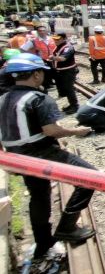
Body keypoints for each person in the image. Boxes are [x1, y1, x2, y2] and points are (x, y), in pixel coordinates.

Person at [0, 53, 95, 263]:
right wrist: (76, 132)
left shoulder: (4, 98)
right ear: (35, 74)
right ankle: (67, 227)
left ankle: (43, 244)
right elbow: (51, 130)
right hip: (41, 151)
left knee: (39, 196)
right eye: (41, 72)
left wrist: (6, 158)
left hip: (17, 156)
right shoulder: (38, 99)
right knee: (90, 177)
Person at [22, 24, 56, 91]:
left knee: (53, 72)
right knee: (44, 73)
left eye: (43, 30)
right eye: (40, 31)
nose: (42, 32)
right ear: (37, 32)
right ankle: (46, 86)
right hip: (42, 59)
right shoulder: (34, 41)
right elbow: (23, 49)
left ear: (46, 31)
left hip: (53, 59)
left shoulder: (52, 39)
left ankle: (51, 83)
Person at [52, 32, 79, 114]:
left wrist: (52, 58)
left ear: (63, 39)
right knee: (66, 89)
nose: (55, 41)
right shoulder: (59, 46)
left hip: (68, 71)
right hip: (61, 71)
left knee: (69, 89)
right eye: (54, 39)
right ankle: (71, 104)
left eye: (58, 39)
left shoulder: (68, 47)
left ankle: (75, 106)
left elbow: (63, 58)